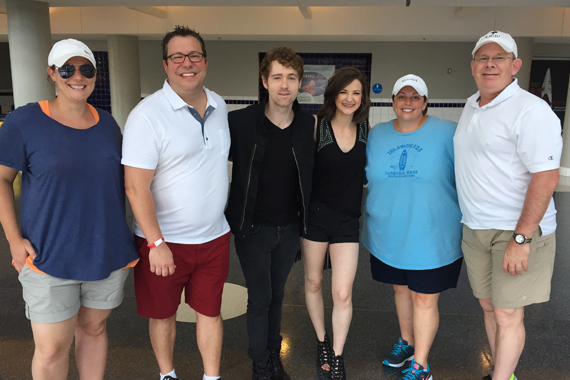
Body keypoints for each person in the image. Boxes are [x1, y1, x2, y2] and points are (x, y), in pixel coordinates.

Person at [0, 39, 138, 380]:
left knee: (93, 330)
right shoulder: (24, 121)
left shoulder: (108, 125)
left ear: (95, 75)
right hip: (50, 255)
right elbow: (1, 180)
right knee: (50, 348)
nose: (77, 76)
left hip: (104, 252)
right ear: (52, 74)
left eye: (86, 69)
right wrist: (14, 240)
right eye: (67, 69)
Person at [122, 26, 230, 380]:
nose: (188, 63)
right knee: (163, 315)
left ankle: (211, 377)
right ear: (166, 65)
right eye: (178, 57)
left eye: (195, 55)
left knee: (211, 313)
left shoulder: (219, 105)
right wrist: (156, 243)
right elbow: (136, 188)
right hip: (164, 243)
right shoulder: (147, 115)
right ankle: (167, 374)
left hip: (214, 238)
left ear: (205, 61)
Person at [454, 31, 562, 380]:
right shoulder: (472, 104)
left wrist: (521, 239)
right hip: (476, 228)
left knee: (507, 313)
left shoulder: (532, 110)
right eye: (483, 58)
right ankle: (504, 373)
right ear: (473, 66)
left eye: (499, 58)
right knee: (489, 306)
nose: (490, 64)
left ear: (514, 65)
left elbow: (545, 178)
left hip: (515, 231)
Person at [363, 74, 463, 380]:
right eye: (402, 96)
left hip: (432, 236)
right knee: (400, 289)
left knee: (424, 298)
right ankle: (406, 342)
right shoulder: (377, 134)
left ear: (425, 102)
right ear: (392, 102)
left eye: (415, 97)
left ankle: (421, 366)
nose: (408, 102)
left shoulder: (448, 133)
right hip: (388, 233)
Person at [225, 47, 315, 380]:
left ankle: (274, 356)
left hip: (289, 228)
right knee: (260, 298)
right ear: (265, 81)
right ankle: (260, 363)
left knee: (278, 298)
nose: (284, 85)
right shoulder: (240, 122)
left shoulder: (308, 125)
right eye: (277, 77)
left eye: (291, 78)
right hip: (252, 229)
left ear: (300, 83)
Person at [300, 67, 370, 380]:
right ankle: (322, 341)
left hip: (347, 221)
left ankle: (338, 356)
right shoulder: (317, 126)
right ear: (333, 94)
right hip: (315, 217)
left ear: (363, 98)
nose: (350, 98)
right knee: (314, 282)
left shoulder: (367, 130)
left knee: (342, 294)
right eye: (344, 91)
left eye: (356, 92)